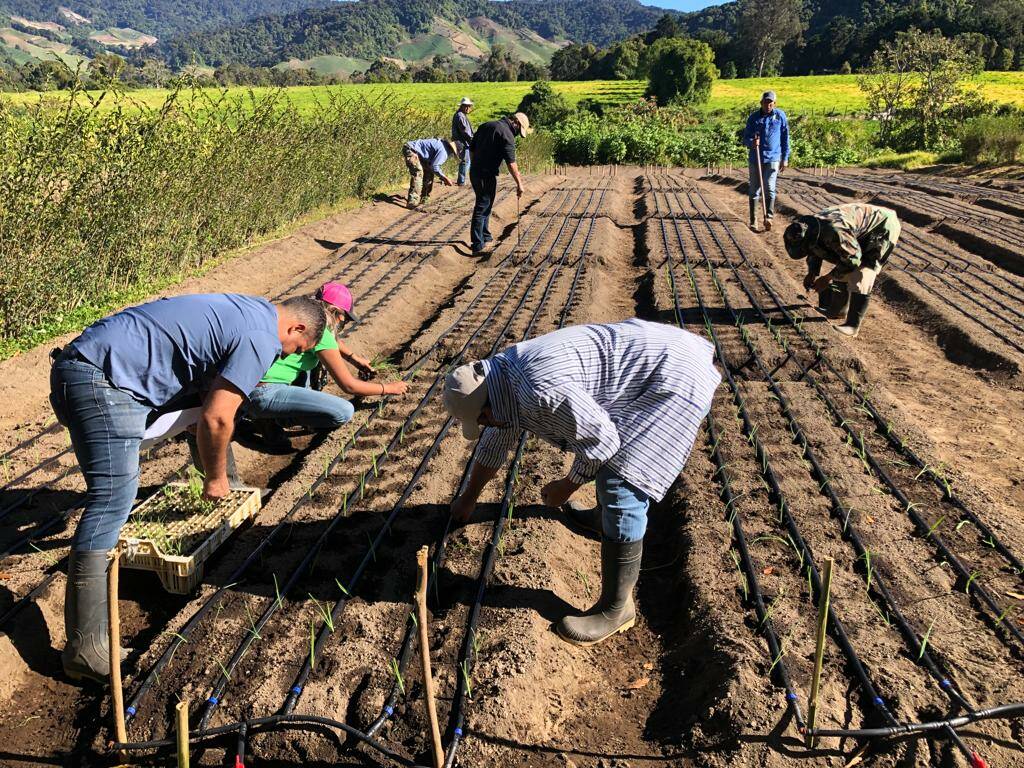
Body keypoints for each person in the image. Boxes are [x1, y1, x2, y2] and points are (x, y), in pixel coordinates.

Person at [49, 293, 325, 683]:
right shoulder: (262, 337)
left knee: (211, 401)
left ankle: (232, 491)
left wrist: (228, 482)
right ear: (297, 328)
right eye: (295, 349)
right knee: (112, 499)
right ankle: (86, 650)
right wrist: (215, 478)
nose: (284, 357)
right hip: (102, 379)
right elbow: (216, 418)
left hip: (90, 364)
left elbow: (205, 400)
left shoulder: (247, 310)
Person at [441, 320, 720, 646]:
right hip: (657, 359)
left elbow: (602, 442)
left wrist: (566, 485)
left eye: (483, 418)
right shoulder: (501, 380)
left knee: (621, 482)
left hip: (673, 379)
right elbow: (496, 439)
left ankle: (616, 609)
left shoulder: (538, 393)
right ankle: (603, 521)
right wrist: (469, 497)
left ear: (488, 407)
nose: (486, 424)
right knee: (610, 467)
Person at [241, 282, 409, 448]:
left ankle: (269, 414)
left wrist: (354, 359)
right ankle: (275, 419)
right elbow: (349, 386)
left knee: (308, 363)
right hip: (263, 393)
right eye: (344, 318)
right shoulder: (322, 334)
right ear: (335, 312)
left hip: (243, 384)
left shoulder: (303, 317)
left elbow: (330, 343)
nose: (343, 323)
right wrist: (388, 388)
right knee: (343, 412)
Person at [784, 203, 902, 338]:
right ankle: (838, 310)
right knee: (841, 262)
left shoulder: (834, 232)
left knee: (862, 272)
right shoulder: (811, 229)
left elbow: (852, 259)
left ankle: (852, 325)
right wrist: (812, 272)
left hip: (881, 226)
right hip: (855, 229)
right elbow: (814, 249)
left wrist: (827, 278)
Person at [468, 112, 530, 256]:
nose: (516, 134)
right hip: (485, 173)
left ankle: (486, 236)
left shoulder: (486, 125)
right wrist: (519, 184)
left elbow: (471, 149)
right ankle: (477, 244)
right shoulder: (507, 135)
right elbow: (511, 163)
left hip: (476, 172)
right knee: (482, 205)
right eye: (518, 131)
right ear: (516, 123)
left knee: (486, 204)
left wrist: (475, 165)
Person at [742, 91, 790, 232]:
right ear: (761, 103)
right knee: (754, 189)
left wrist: (785, 158)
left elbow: (785, 139)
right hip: (755, 158)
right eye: (765, 102)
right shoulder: (753, 118)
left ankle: (768, 217)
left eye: (771, 103)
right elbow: (745, 138)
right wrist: (752, 142)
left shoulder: (780, 116)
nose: (768, 105)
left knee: (769, 187)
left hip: (773, 157)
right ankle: (753, 220)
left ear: (774, 104)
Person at [403, 137, 461, 208]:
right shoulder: (444, 152)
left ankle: (425, 198)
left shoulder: (443, 145)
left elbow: (432, 166)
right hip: (411, 150)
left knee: (429, 172)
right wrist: (444, 178)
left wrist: (442, 177)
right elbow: (435, 166)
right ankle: (412, 201)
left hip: (415, 151)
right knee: (418, 173)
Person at [452, 97, 475, 186]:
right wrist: (472, 140)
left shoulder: (460, 115)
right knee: (465, 161)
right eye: (466, 106)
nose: (468, 108)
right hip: (462, 142)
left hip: (462, 142)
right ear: (462, 106)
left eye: (469, 106)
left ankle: (462, 180)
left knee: (466, 161)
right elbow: (465, 131)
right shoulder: (460, 116)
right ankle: (461, 181)